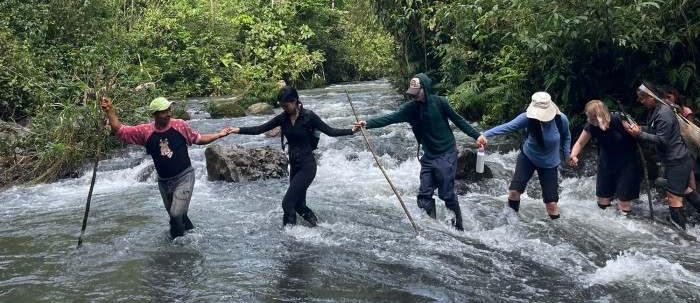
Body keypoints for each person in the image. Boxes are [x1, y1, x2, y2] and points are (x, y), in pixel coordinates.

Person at [354, 74, 482, 231]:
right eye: (412, 91)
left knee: (446, 195)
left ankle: (458, 229)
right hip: (429, 156)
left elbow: (459, 120)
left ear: (425, 89)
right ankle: (432, 228)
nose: (413, 94)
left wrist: (477, 135)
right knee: (424, 195)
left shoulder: (440, 102)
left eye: (417, 91)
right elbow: (390, 118)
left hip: (447, 153)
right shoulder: (410, 108)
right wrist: (367, 124)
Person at [101, 96, 234, 239]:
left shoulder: (180, 126)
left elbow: (198, 139)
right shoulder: (145, 131)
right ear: (154, 115)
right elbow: (121, 131)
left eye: (169, 110)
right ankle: (189, 237)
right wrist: (110, 111)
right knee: (176, 215)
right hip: (164, 182)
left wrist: (218, 135)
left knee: (175, 214)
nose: (169, 113)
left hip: (184, 176)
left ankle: (174, 249)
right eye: (164, 111)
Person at [229, 86, 358, 227]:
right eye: (282, 106)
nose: (284, 109)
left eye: (286, 106)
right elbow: (260, 129)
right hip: (294, 167)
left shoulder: (309, 117)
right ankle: (318, 228)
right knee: (299, 206)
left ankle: (289, 237)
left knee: (287, 204)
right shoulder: (283, 118)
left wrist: (351, 131)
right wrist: (237, 130)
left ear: (295, 101)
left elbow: (330, 131)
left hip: (307, 167)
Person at [624, 83, 700, 230]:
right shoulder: (656, 111)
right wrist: (641, 128)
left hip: (678, 160)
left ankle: (682, 234)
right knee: (685, 189)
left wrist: (639, 134)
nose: (641, 102)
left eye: (643, 99)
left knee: (673, 197)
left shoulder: (663, 113)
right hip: (680, 159)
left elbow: (661, 140)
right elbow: (655, 130)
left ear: (652, 97)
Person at [477, 92, 571, 219]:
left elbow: (566, 136)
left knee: (552, 204)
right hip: (528, 157)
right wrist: (485, 134)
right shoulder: (527, 118)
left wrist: (567, 155)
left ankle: (556, 232)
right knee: (514, 192)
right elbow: (508, 127)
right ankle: (512, 221)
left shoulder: (560, 120)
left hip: (549, 163)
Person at [568, 100, 640, 214]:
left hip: (626, 164)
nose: (591, 121)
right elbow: (580, 143)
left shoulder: (618, 120)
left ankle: (623, 224)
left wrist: (636, 132)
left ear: (602, 115)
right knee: (602, 200)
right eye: (589, 118)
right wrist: (573, 155)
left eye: (594, 118)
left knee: (623, 202)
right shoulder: (590, 126)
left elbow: (637, 134)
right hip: (606, 163)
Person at [661, 84, 698, 191]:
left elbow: (691, 128)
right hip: (672, 146)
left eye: (669, 97)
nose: (667, 100)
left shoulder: (685, 110)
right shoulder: (663, 112)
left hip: (685, 146)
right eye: (664, 98)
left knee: (689, 174)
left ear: (675, 96)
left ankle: (692, 192)